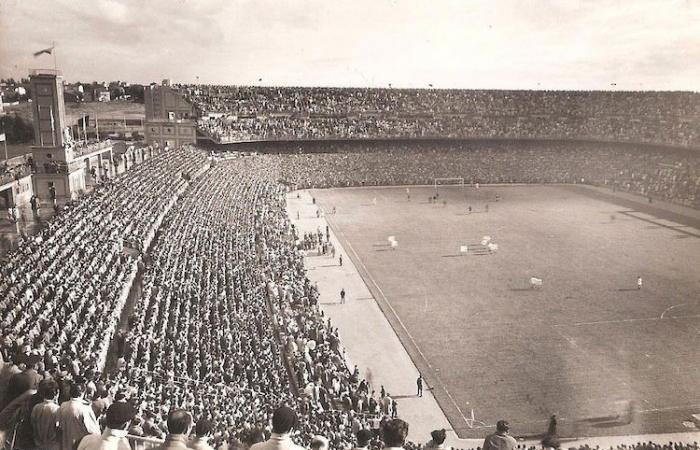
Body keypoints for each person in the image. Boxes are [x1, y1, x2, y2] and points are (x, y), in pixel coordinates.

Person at [57, 381, 101, 450]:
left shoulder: (63, 405)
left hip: (65, 445)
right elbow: (94, 431)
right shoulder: (84, 408)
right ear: (82, 393)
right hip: (79, 445)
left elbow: (59, 426)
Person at [31, 378, 61, 450]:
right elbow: (59, 428)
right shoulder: (57, 409)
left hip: (38, 444)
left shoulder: (36, 407)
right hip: (52, 445)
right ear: (56, 393)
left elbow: (33, 424)